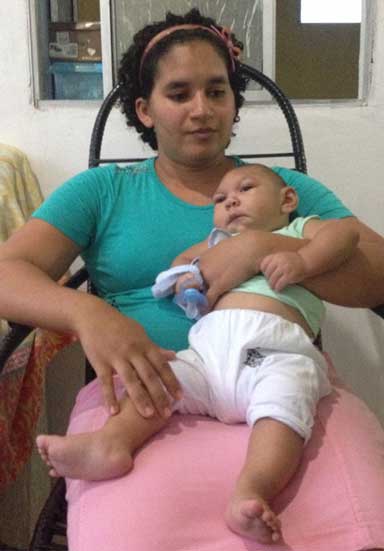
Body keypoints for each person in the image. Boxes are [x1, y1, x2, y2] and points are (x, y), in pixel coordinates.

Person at [0, 7, 383, 551]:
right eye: (178, 94)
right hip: (151, 391)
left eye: (217, 91)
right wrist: (87, 312)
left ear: (233, 102)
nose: (201, 110)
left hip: (283, 387)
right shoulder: (104, 191)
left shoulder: (279, 190)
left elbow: (378, 273)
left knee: (358, 524)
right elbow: (6, 272)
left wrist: (260, 246)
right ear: (145, 109)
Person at [36, 163, 360, 544]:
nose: (231, 201)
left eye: (246, 189)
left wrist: (302, 260)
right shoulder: (215, 242)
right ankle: (112, 443)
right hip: (207, 354)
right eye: (221, 199)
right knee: (163, 381)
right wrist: (185, 277)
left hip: (275, 351)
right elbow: (178, 266)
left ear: (287, 200)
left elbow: (346, 235)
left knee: (284, 407)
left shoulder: (298, 231)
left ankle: (252, 489)